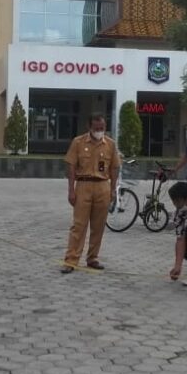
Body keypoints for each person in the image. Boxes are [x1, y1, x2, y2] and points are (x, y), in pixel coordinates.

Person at [61, 114, 121, 274]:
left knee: (98, 226)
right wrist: (71, 190)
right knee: (78, 225)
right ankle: (71, 260)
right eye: (96, 128)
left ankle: (92, 258)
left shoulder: (110, 144)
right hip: (84, 185)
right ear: (89, 127)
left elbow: (115, 168)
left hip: (102, 186)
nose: (100, 131)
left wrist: (113, 189)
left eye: (102, 128)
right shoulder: (78, 142)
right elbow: (71, 166)